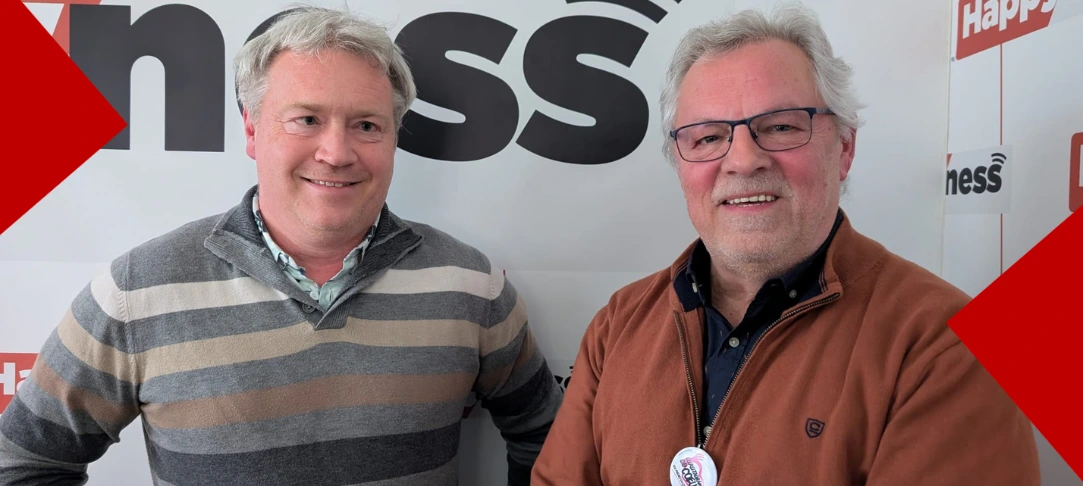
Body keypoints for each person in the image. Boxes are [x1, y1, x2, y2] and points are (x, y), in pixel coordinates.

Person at [0, 6, 561, 485]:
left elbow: (550, 443)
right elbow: (23, 462)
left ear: (394, 137)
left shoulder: (471, 285)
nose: (336, 152)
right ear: (252, 130)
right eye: (307, 119)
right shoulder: (136, 291)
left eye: (367, 125)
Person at [531, 4, 1040, 485]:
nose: (742, 160)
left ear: (844, 148)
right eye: (708, 137)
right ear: (680, 163)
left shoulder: (944, 347)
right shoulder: (618, 325)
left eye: (779, 127)